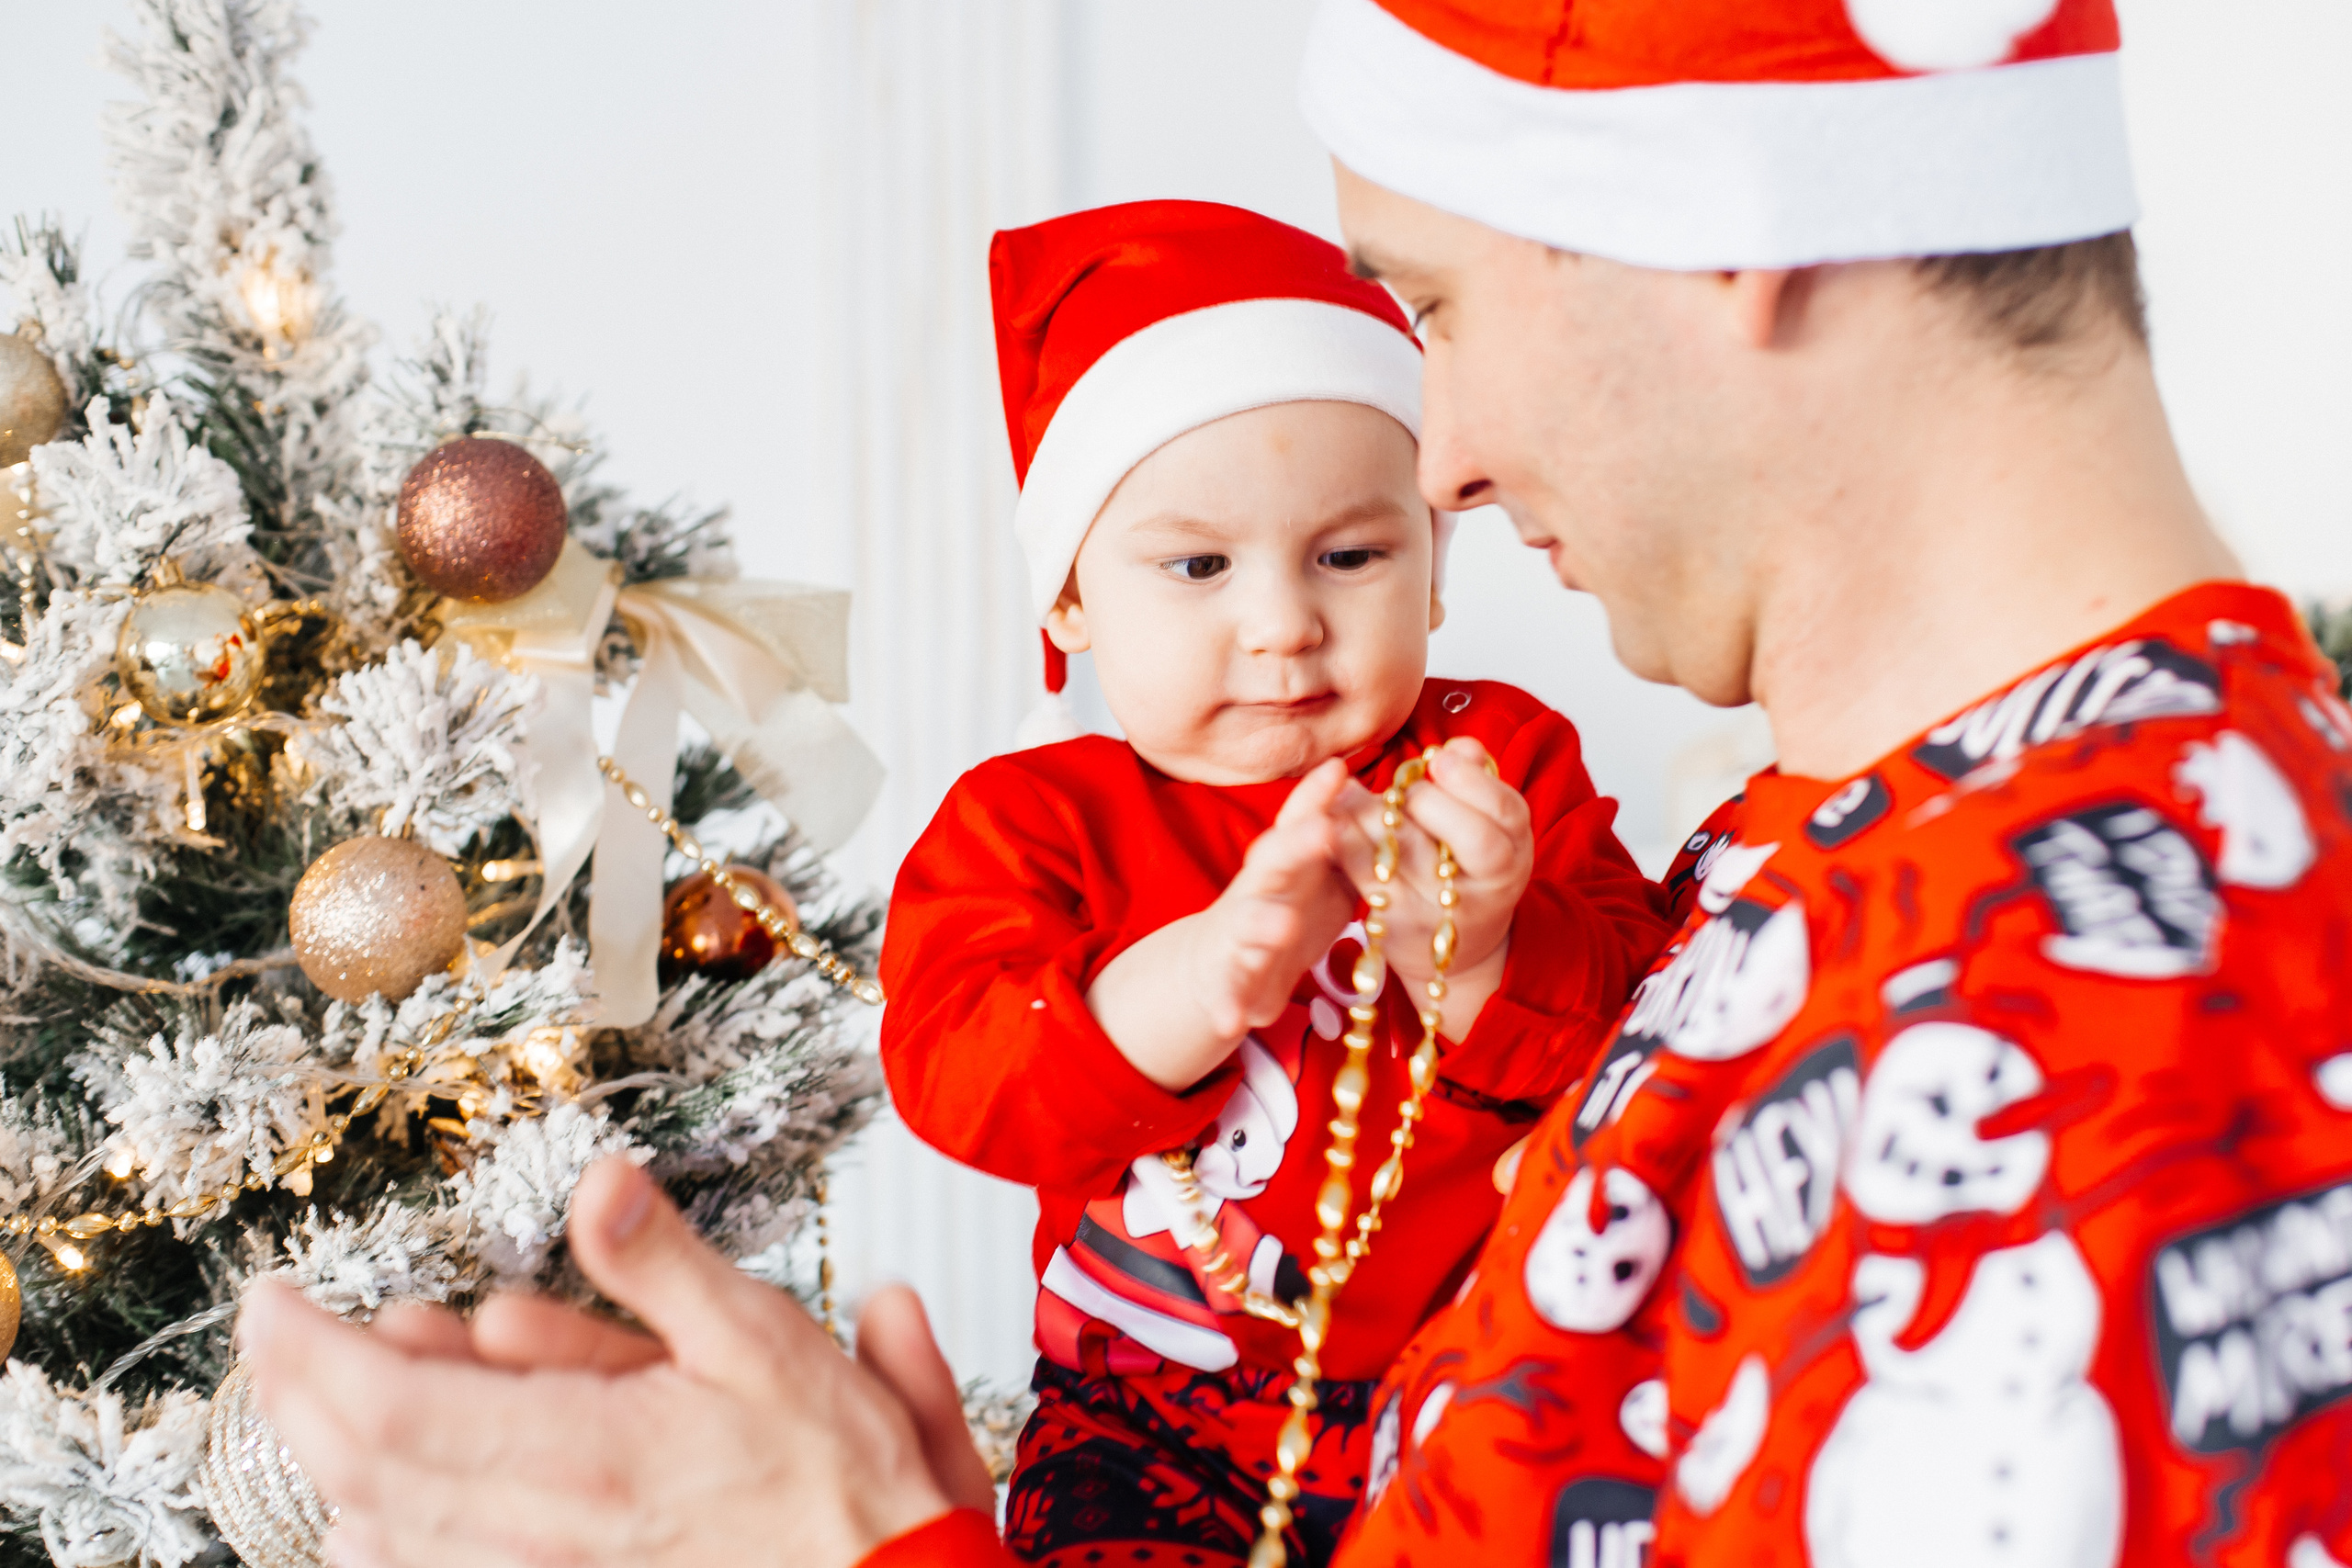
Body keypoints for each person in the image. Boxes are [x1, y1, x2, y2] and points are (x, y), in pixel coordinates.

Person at [240, 0, 2352, 1563]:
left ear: (1724, 229)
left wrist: (855, 1545)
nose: (1434, 465)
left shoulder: (2102, 1013)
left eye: (1428, 303)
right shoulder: (1863, 867)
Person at [879, 199, 1671, 1568]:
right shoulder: (1034, 823)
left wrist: (1484, 952)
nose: (1283, 622)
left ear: (1431, 575)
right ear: (1068, 602)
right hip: (1143, 1417)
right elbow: (956, 1071)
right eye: (1198, 566)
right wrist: (1194, 983)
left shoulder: (1497, 765)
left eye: (1349, 556)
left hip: (1466, 1392)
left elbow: (1637, 1050)